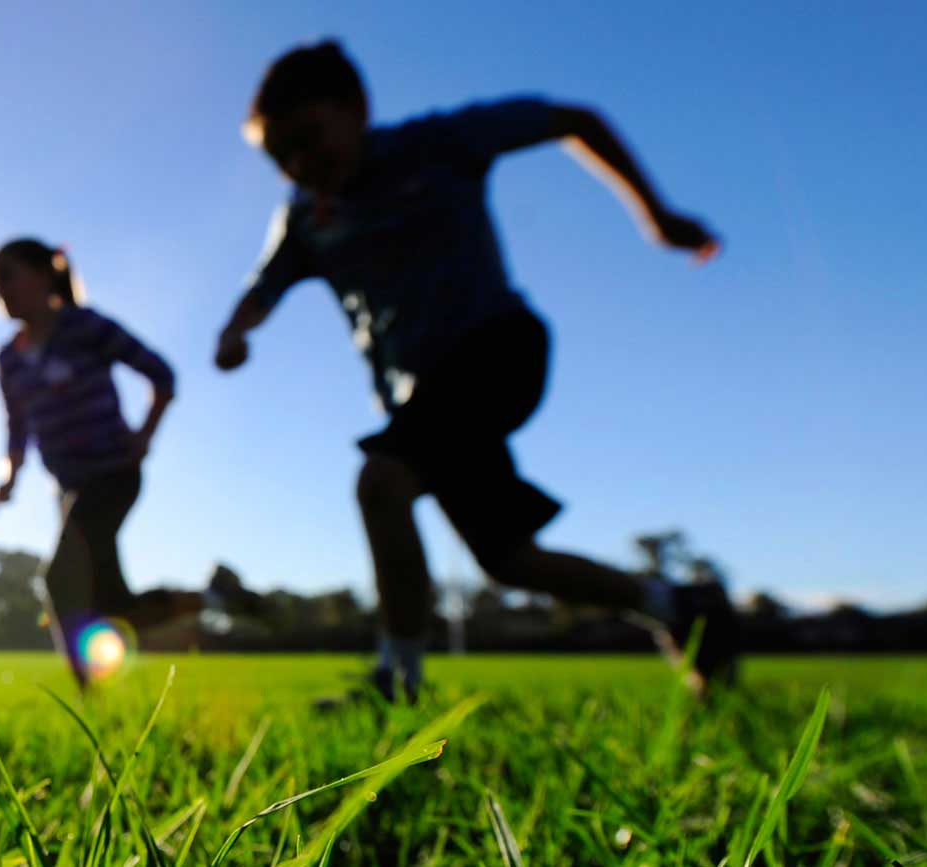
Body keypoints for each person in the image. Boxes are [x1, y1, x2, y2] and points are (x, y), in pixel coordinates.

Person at [211, 41, 741, 701]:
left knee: (383, 482)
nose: (298, 163)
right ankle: (679, 603)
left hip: (496, 349)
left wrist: (655, 214)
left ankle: (398, 679)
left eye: (308, 138)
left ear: (355, 108)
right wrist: (235, 332)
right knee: (508, 559)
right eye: (279, 155)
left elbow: (574, 119)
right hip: (418, 396)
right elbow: (261, 289)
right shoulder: (305, 217)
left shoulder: (437, 144)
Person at [0, 238, 194, 686]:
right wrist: (9, 478)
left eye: (8, 276)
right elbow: (17, 427)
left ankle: (89, 704)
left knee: (62, 580)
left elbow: (162, 374)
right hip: (69, 486)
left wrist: (144, 435)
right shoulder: (8, 359)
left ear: (44, 274)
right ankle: (208, 599)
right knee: (114, 602)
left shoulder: (84, 327)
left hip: (113, 472)